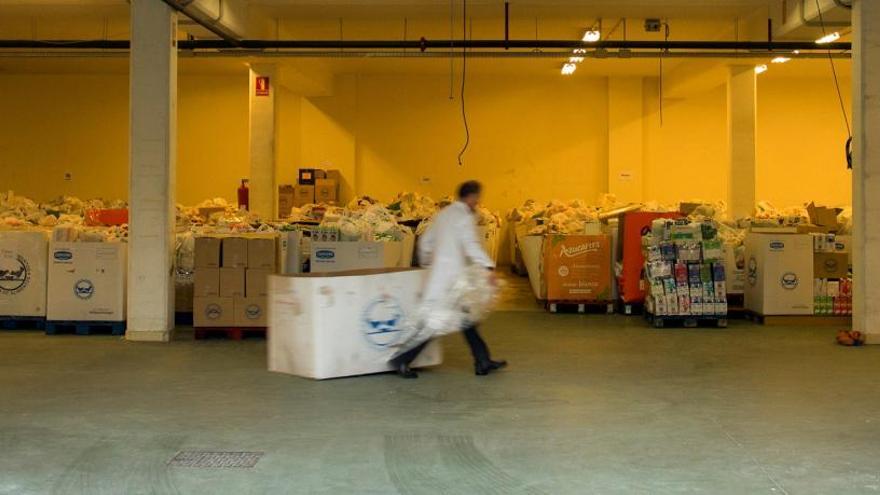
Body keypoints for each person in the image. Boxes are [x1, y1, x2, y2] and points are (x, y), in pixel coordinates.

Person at [390, 180, 507, 379]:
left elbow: (425, 243)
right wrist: (489, 267)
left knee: (466, 319)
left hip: (441, 278)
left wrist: (429, 266)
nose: (477, 202)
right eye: (477, 198)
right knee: (435, 323)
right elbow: (471, 245)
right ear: (471, 197)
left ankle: (483, 361)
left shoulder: (442, 215)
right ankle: (401, 360)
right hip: (453, 280)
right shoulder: (464, 216)